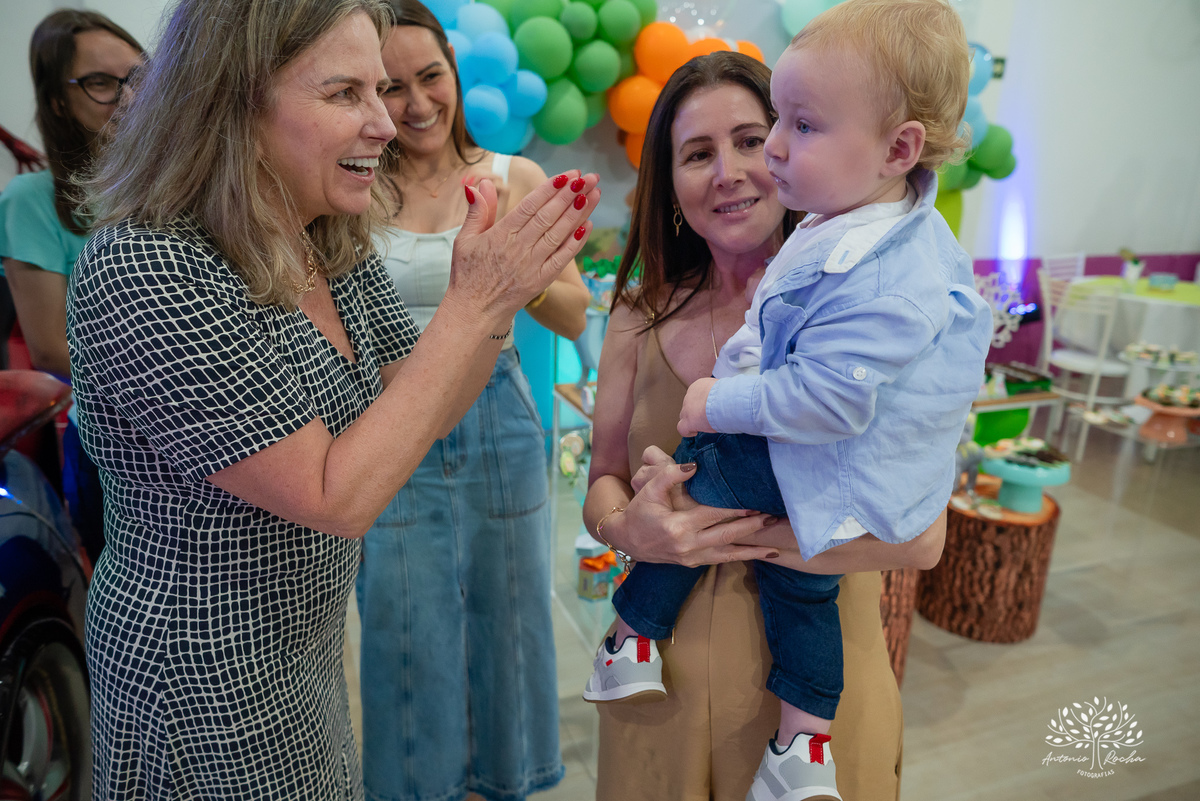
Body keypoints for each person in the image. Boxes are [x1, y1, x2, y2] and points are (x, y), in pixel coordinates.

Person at [66, 0, 598, 797]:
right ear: (235, 97)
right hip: (198, 685)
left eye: (380, 89)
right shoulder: (150, 266)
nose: (387, 123)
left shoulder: (324, 238)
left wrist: (496, 299)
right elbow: (331, 492)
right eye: (347, 93)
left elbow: (420, 411)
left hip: (301, 655)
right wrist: (476, 303)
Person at [587, 3, 993, 799]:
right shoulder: (639, 313)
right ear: (668, 180)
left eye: (755, 135)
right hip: (657, 689)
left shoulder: (869, 308)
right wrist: (625, 526)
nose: (737, 168)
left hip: (812, 696)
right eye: (697, 153)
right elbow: (601, 477)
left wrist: (751, 531)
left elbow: (921, 540)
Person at [353, 2, 590, 800]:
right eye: (391, 87)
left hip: (500, 419)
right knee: (401, 621)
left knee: (511, 614)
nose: (418, 105)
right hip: (387, 420)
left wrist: (510, 278)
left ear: (454, 70)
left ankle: (508, 779)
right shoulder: (354, 193)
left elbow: (574, 309)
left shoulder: (510, 176)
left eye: (431, 77)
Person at [0, 9, 143, 564]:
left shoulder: (180, 183)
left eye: (139, 78)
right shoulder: (32, 200)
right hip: (117, 448)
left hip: (212, 437)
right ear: (59, 101)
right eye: (102, 84)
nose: (129, 100)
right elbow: (52, 349)